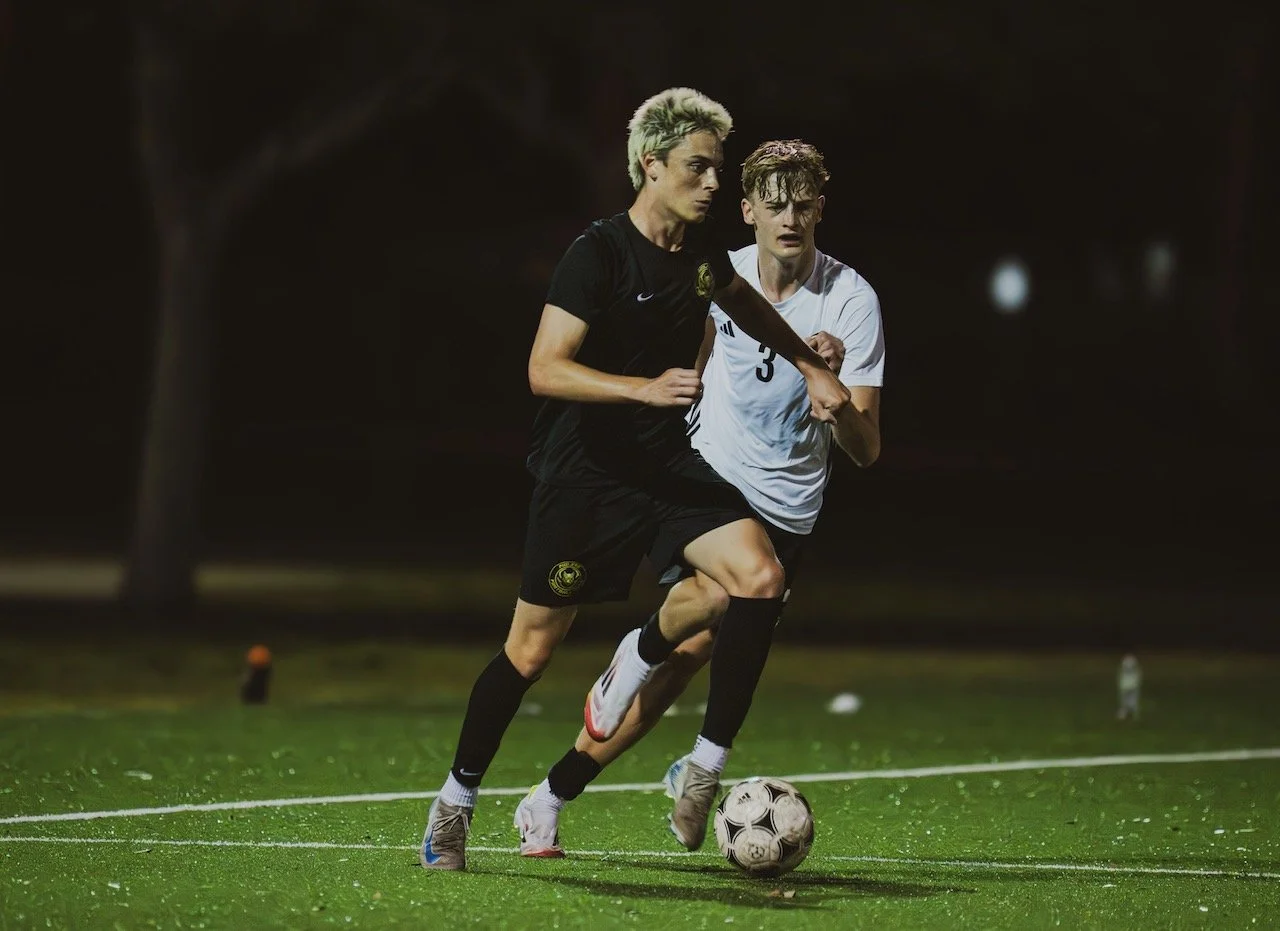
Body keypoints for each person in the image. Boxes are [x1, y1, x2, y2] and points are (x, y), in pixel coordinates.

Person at [419, 90, 851, 871]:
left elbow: (750, 309)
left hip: (665, 466)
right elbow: (544, 368)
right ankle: (455, 801)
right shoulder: (599, 254)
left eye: (718, 168)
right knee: (529, 653)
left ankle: (702, 764)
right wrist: (641, 389)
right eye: (697, 167)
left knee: (760, 577)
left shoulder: (703, 255)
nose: (713, 182)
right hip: (584, 476)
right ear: (651, 165)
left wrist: (811, 365)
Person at [511, 138, 884, 857]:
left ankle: (553, 791)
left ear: (820, 210)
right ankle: (695, 755)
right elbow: (678, 360)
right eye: (774, 205)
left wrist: (834, 396)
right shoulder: (717, 276)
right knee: (713, 601)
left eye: (803, 205)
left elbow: (866, 449)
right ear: (746, 211)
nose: (789, 219)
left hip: (790, 508)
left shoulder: (852, 300)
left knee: (688, 656)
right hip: (707, 478)